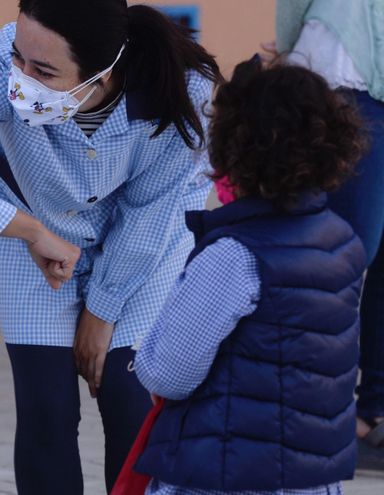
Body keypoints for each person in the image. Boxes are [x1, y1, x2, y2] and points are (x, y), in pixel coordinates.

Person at [0, 0, 222, 492]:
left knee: (130, 393)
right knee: (47, 404)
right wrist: (26, 230)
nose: (21, 78)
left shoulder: (182, 91)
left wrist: (101, 314)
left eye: (44, 70)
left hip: (143, 239)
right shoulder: (0, 61)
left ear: (101, 76)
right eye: (19, 57)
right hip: (22, 224)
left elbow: (147, 218)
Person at [134, 57, 368, 494]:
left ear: (232, 148)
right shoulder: (341, 241)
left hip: (226, 472)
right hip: (309, 477)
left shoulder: (235, 256)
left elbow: (169, 373)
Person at [270, 0, 384, 470]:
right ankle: (313, 413)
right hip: (343, 78)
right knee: (340, 258)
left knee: (360, 257)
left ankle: (371, 411)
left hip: (351, 83)